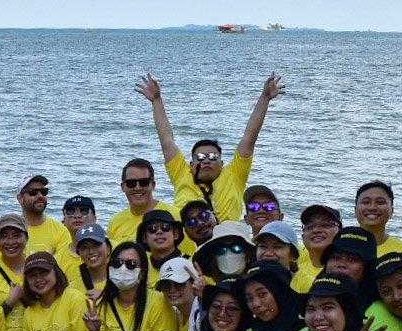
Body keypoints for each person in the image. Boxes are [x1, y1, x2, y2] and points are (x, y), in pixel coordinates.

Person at [135, 72, 286, 224]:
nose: (207, 161)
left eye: (213, 157)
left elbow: (249, 138)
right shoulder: (182, 174)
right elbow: (166, 140)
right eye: (200, 158)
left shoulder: (234, 175)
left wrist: (265, 98)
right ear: (191, 165)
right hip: (189, 241)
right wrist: (156, 100)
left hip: (227, 242)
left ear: (222, 164)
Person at [106, 159, 175, 247]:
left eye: (144, 182)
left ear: (153, 185)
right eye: (131, 183)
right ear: (123, 187)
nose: (138, 188)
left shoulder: (174, 215)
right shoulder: (115, 222)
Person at [355, 180, 402, 260]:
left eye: (380, 202)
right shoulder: (340, 249)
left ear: (392, 211)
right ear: (355, 210)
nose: (372, 207)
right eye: (366, 202)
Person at [15, 174, 71, 256]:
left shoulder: (61, 231)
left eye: (44, 191)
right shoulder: (11, 231)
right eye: (32, 192)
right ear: (20, 198)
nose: (40, 196)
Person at [294, 203, 342, 293]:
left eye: (325, 225)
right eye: (310, 226)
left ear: (340, 233)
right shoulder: (296, 267)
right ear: (303, 236)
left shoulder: (345, 272)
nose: (316, 230)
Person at [136, 208, 185, 280]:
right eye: (152, 228)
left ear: (176, 234)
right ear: (144, 238)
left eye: (166, 227)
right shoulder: (139, 271)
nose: (159, 232)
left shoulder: (191, 264)